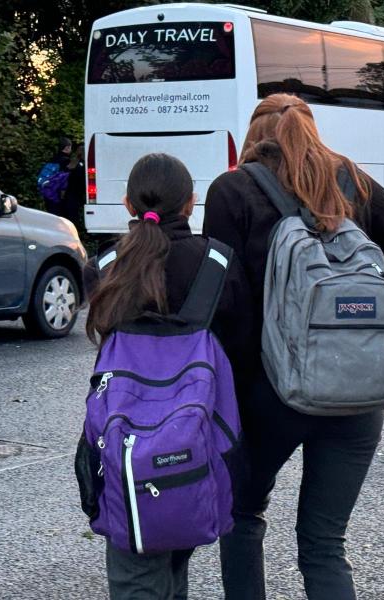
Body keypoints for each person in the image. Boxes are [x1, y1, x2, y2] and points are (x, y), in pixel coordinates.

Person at [203, 93, 384, 600]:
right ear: (312, 131)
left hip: (269, 394)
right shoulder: (352, 180)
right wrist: (360, 319)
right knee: (325, 541)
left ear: (252, 135)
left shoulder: (232, 190)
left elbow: (225, 305)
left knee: (242, 514)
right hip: (359, 392)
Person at [83, 153, 252, 600]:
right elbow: (241, 343)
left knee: (137, 570)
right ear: (191, 203)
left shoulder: (104, 268)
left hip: (123, 444)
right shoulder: (218, 262)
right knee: (175, 560)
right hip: (198, 441)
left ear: (126, 204)